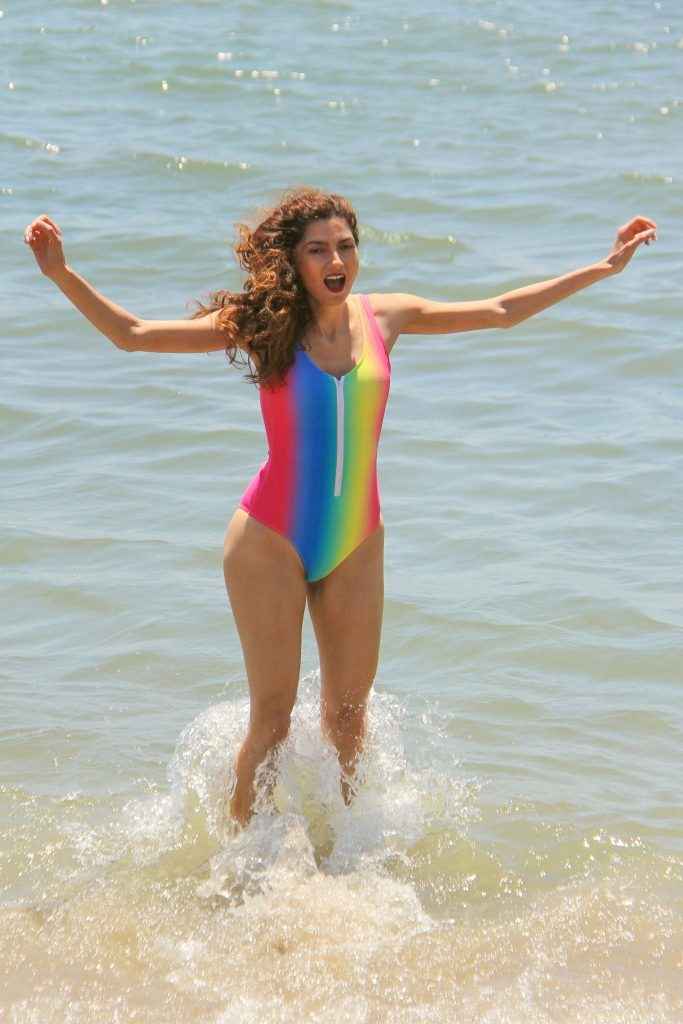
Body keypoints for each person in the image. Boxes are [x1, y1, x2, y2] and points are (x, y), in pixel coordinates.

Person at [24, 188, 657, 828]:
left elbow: (499, 310)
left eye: (346, 246)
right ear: (292, 261)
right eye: (318, 249)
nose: (336, 260)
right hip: (270, 540)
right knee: (272, 720)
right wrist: (60, 273)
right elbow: (133, 335)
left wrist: (603, 268)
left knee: (350, 718)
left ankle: (351, 856)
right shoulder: (264, 325)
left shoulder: (386, 316)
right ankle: (242, 861)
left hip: (356, 539)